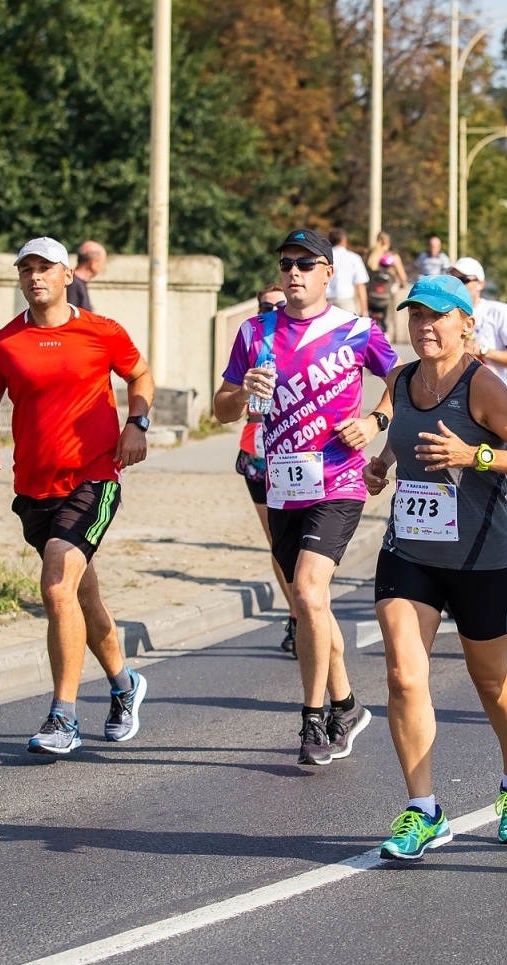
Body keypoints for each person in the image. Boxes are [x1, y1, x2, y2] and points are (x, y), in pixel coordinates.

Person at [360, 275, 507, 860]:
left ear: (466, 324)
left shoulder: (483, 386)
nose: (425, 327)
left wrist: (477, 455)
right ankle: (423, 809)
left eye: (438, 316)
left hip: (481, 558)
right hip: (412, 551)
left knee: (491, 682)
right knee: (402, 674)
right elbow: (401, 436)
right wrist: (382, 464)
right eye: (416, 316)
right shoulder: (400, 378)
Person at [214, 228, 399, 765]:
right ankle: (347, 704)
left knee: (309, 592)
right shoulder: (255, 332)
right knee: (307, 601)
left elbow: (405, 381)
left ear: (327, 273)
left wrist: (376, 419)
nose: (293, 272)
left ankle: (313, 720)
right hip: (283, 482)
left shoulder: (357, 330)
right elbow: (222, 409)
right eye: (286, 263)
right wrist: (242, 391)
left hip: (338, 480)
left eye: (305, 263)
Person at [0, 237, 153, 756]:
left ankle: (62, 717)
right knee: (81, 597)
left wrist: (136, 422)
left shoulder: (102, 332)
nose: (35, 277)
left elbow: (139, 373)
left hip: (93, 478)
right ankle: (125, 685)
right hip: (33, 487)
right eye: (26, 269)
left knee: (55, 587)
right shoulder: (5, 343)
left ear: (67, 274)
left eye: (44, 268)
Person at [237, 284, 299, 658]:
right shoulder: (250, 340)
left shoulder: (304, 340)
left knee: (307, 542)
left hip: (299, 455)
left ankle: (308, 604)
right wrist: (244, 389)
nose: (274, 309)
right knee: (278, 541)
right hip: (257, 452)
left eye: (280, 304)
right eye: (266, 305)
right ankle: (295, 613)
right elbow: (226, 398)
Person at [450, 257, 507, 380]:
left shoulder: (499, 310)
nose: (458, 286)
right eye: (454, 280)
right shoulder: (445, 313)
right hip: (456, 394)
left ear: (480, 284)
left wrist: (482, 351)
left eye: (464, 280)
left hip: (492, 393)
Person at [327, 228, 369, 316]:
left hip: (326, 301)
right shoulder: (354, 258)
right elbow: (360, 285)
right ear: (344, 241)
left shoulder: (324, 258)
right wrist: (364, 310)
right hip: (346, 302)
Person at [65, 241, 105, 311]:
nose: (103, 266)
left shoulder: (76, 282)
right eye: (102, 262)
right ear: (93, 262)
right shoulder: (72, 284)